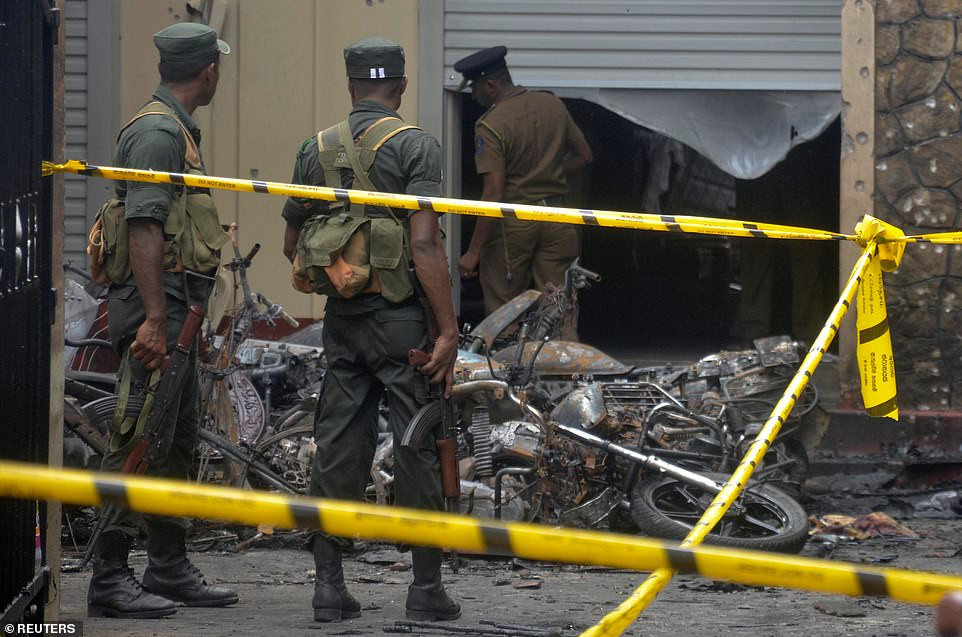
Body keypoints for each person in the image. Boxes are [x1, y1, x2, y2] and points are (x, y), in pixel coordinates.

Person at [281, 37, 460, 623]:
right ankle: (425, 589)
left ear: (350, 85)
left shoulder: (314, 149)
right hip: (402, 321)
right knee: (415, 442)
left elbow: (292, 244)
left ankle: (328, 588)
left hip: (343, 321)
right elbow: (425, 243)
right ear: (401, 87)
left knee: (337, 443)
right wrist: (449, 330)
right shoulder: (415, 145)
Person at [86, 22, 238, 618]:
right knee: (136, 433)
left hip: (178, 309)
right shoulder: (156, 133)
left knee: (172, 439)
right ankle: (109, 576)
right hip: (159, 309)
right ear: (209, 71)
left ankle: (168, 567)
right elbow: (145, 228)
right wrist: (153, 319)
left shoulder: (176, 129)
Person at [454, 45, 593, 317]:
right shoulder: (553, 104)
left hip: (514, 222)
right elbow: (585, 155)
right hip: (557, 217)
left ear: (491, 85)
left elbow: (493, 193)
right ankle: (559, 356)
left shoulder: (491, 124)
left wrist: (473, 252)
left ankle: (506, 360)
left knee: (505, 309)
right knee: (557, 303)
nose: (473, 95)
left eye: (475, 88)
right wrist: (549, 174)